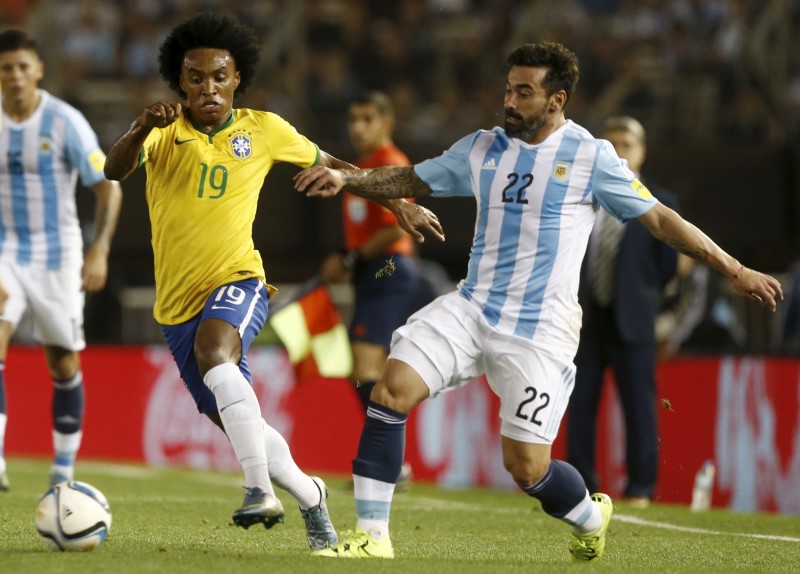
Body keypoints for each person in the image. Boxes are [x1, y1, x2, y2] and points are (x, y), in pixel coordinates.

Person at [293, 41, 783, 561]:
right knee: (390, 390)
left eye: (524, 92)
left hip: (540, 330)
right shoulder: (482, 147)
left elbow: (661, 219)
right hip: (471, 307)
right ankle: (373, 537)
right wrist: (349, 178)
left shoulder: (591, 156)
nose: (510, 101)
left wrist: (734, 267)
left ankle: (590, 517)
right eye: (508, 89)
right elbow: (411, 179)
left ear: (557, 99)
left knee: (527, 468)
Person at [102, 12, 441, 550]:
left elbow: (337, 166)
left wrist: (398, 204)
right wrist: (141, 124)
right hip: (175, 306)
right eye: (195, 78)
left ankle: (257, 490)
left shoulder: (264, 128)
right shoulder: (163, 132)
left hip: (239, 279)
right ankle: (311, 495)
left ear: (238, 79)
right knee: (241, 424)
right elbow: (113, 171)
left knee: (219, 352)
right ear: (180, 81)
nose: (208, 87)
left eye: (219, 76)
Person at [0, 30, 122, 492]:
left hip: (57, 254)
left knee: (63, 364)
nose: (15, 76)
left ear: (38, 71)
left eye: (22, 67)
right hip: (5, 251)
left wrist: (100, 249)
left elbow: (108, 183)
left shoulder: (64, 121)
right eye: (6, 68)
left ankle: (63, 471)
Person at [566, 115, 689, 508]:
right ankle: (581, 486)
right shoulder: (583, 197)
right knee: (580, 402)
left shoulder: (662, 204)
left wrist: (645, 301)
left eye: (626, 144)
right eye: (611, 143)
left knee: (638, 406)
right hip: (584, 317)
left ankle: (640, 487)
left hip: (633, 319)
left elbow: (667, 267)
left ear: (642, 152)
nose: (618, 151)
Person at [318, 91, 418, 487]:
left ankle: (388, 463)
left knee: (364, 370)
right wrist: (350, 260)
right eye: (354, 118)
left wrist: (350, 259)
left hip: (390, 266)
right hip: (374, 270)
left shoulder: (390, 164)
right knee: (361, 372)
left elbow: (397, 224)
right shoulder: (361, 167)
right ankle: (389, 462)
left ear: (386, 124)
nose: (358, 126)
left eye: (368, 119)